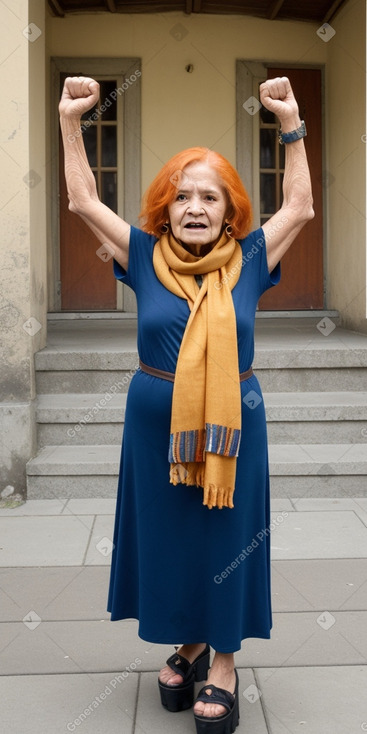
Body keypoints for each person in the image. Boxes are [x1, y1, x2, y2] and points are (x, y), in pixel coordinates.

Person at [59, 75, 313, 733]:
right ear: (163, 210)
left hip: (232, 427)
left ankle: (220, 663)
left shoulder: (250, 258)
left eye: (209, 197)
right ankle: (189, 644)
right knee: (171, 543)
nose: (194, 207)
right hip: (154, 429)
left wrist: (289, 123)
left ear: (229, 212)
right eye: (181, 197)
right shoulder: (141, 255)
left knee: (225, 535)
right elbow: (83, 198)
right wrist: (69, 120)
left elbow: (301, 207)